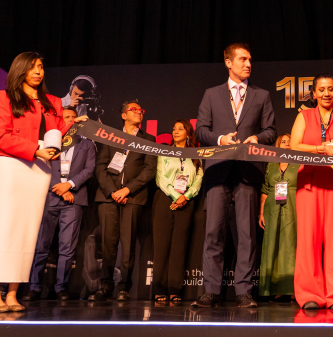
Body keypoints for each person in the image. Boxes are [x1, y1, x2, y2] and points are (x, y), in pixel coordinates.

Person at [0, 52, 79, 312]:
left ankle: (13, 293)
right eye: (33, 67)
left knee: (28, 232)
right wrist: (34, 150)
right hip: (14, 164)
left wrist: (71, 129)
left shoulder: (54, 102)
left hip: (41, 167)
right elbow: (0, 136)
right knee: (4, 228)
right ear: (21, 69)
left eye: (41, 67)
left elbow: (56, 133)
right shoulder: (6, 97)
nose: (38, 71)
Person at [193, 43, 276, 308]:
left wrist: (256, 138)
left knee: (247, 235)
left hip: (247, 171)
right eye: (242, 59)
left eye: (250, 59)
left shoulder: (261, 96)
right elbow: (201, 131)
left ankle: (244, 291)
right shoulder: (211, 94)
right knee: (213, 233)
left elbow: (271, 131)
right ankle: (212, 291)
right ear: (228, 63)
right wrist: (220, 139)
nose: (248, 64)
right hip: (218, 170)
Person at [291, 73, 333, 309]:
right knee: (308, 239)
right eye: (321, 89)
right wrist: (320, 148)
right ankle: (309, 294)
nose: (326, 93)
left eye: (330, 89)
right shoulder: (304, 116)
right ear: (314, 94)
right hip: (310, 182)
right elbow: (294, 145)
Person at [25, 106, 96, 301]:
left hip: (74, 199)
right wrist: (60, 188)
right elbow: (40, 167)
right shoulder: (49, 142)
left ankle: (61, 288)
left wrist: (70, 185)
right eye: (67, 118)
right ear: (59, 121)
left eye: (74, 118)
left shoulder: (86, 144)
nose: (71, 121)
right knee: (41, 244)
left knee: (67, 247)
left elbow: (89, 169)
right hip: (49, 198)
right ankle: (35, 286)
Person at [93, 99, 157, 301]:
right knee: (108, 243)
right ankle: (105, 286)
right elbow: (100, 167)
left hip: (133, 198)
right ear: (123, 115)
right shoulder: (112, 137)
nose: (139, 112)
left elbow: (149, 170)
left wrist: (127, 189)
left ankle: (124, 288)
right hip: (108, 197)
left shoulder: (148, 139)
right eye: (134, 110)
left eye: (141, 110)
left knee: (128, 244)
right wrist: (113, 191)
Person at [152, 120, 204, 304]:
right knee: (161, 247)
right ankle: (159, 289)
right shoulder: (164, 151)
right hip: (166, 199)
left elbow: (198, 179)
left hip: (186, 203)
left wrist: (186, 196)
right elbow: (160, 177)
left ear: (188, 133)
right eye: (173, 128)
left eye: (180, 129)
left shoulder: (195, 155)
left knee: (179, 248)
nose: (175, 131)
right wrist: (175, 196)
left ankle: (174, 290)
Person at [258, 133, 300, 301]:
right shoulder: (272, 164)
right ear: (278, 145)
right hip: (271, 209)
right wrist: (261, 212)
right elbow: (265, 189)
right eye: (283, 142)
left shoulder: (299, 162)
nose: (287, 144)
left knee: (290, 246)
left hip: (293, 207)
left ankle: (291, 289)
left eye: (290, 141)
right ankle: (273, 288)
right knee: (272, 245)